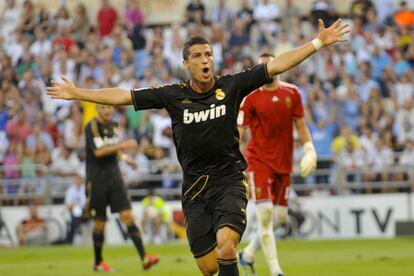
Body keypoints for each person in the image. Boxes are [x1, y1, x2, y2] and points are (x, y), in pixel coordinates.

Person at [47, 19, 349, 276]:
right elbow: (123, 96)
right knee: (208, 267)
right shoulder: (172, 96)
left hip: (229, 179)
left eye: (208, 55)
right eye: (198, 56)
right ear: (186, 63)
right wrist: (77, 93)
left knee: (227, 245)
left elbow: (277, 64)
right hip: (194, 187)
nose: (205, 60)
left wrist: (317, 44)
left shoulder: (232, 86)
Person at [236, 53, 317, 276]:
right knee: (265, 215)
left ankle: (248, 253)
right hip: (259, 162)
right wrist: (232, 159)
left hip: (284, 164)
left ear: (278, 67)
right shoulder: (250, 98)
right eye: (263, 67)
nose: (268, 70)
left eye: (271, 65)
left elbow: (300, 125)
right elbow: (239, 133)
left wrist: (310, 148)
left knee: (280, 218)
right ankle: (275, 270)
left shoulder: (292, 93)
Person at [82, 104, 159, 272]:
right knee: (100, 223)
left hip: (115, 177)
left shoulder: (114, 125)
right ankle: (98, 262)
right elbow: (99, 151)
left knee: (127, 215)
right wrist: (122, 146)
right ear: (97, 109)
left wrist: (125, 158)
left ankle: (144, 258)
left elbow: (114, 149)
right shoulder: (92, 126)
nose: (108, 110)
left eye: (110, 107)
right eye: (103, 107)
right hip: (97, 180)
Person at [64, 173, 87, 244]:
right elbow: (68, 204)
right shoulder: (70, 190)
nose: (78, 181)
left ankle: (70, 239)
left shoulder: (85, 190)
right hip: (74, 211)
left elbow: (86, 203)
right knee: (76, 212)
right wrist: (75, 206)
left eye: (79, 180)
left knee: (74, 220)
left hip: (84, 211)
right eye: (77, 180)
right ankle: (77, 226)